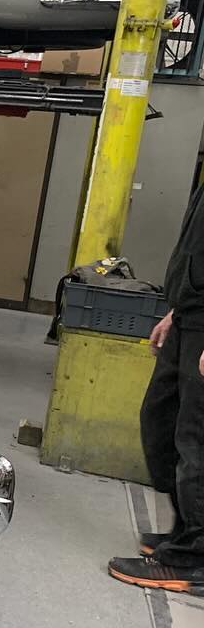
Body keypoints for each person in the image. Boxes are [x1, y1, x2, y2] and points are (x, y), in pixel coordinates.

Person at [109, 181, 204, 591]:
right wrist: (174, 310)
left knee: (196, 440)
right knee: (160, 420)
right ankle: (187, 531)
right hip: (189, 313)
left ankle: (192, 559)